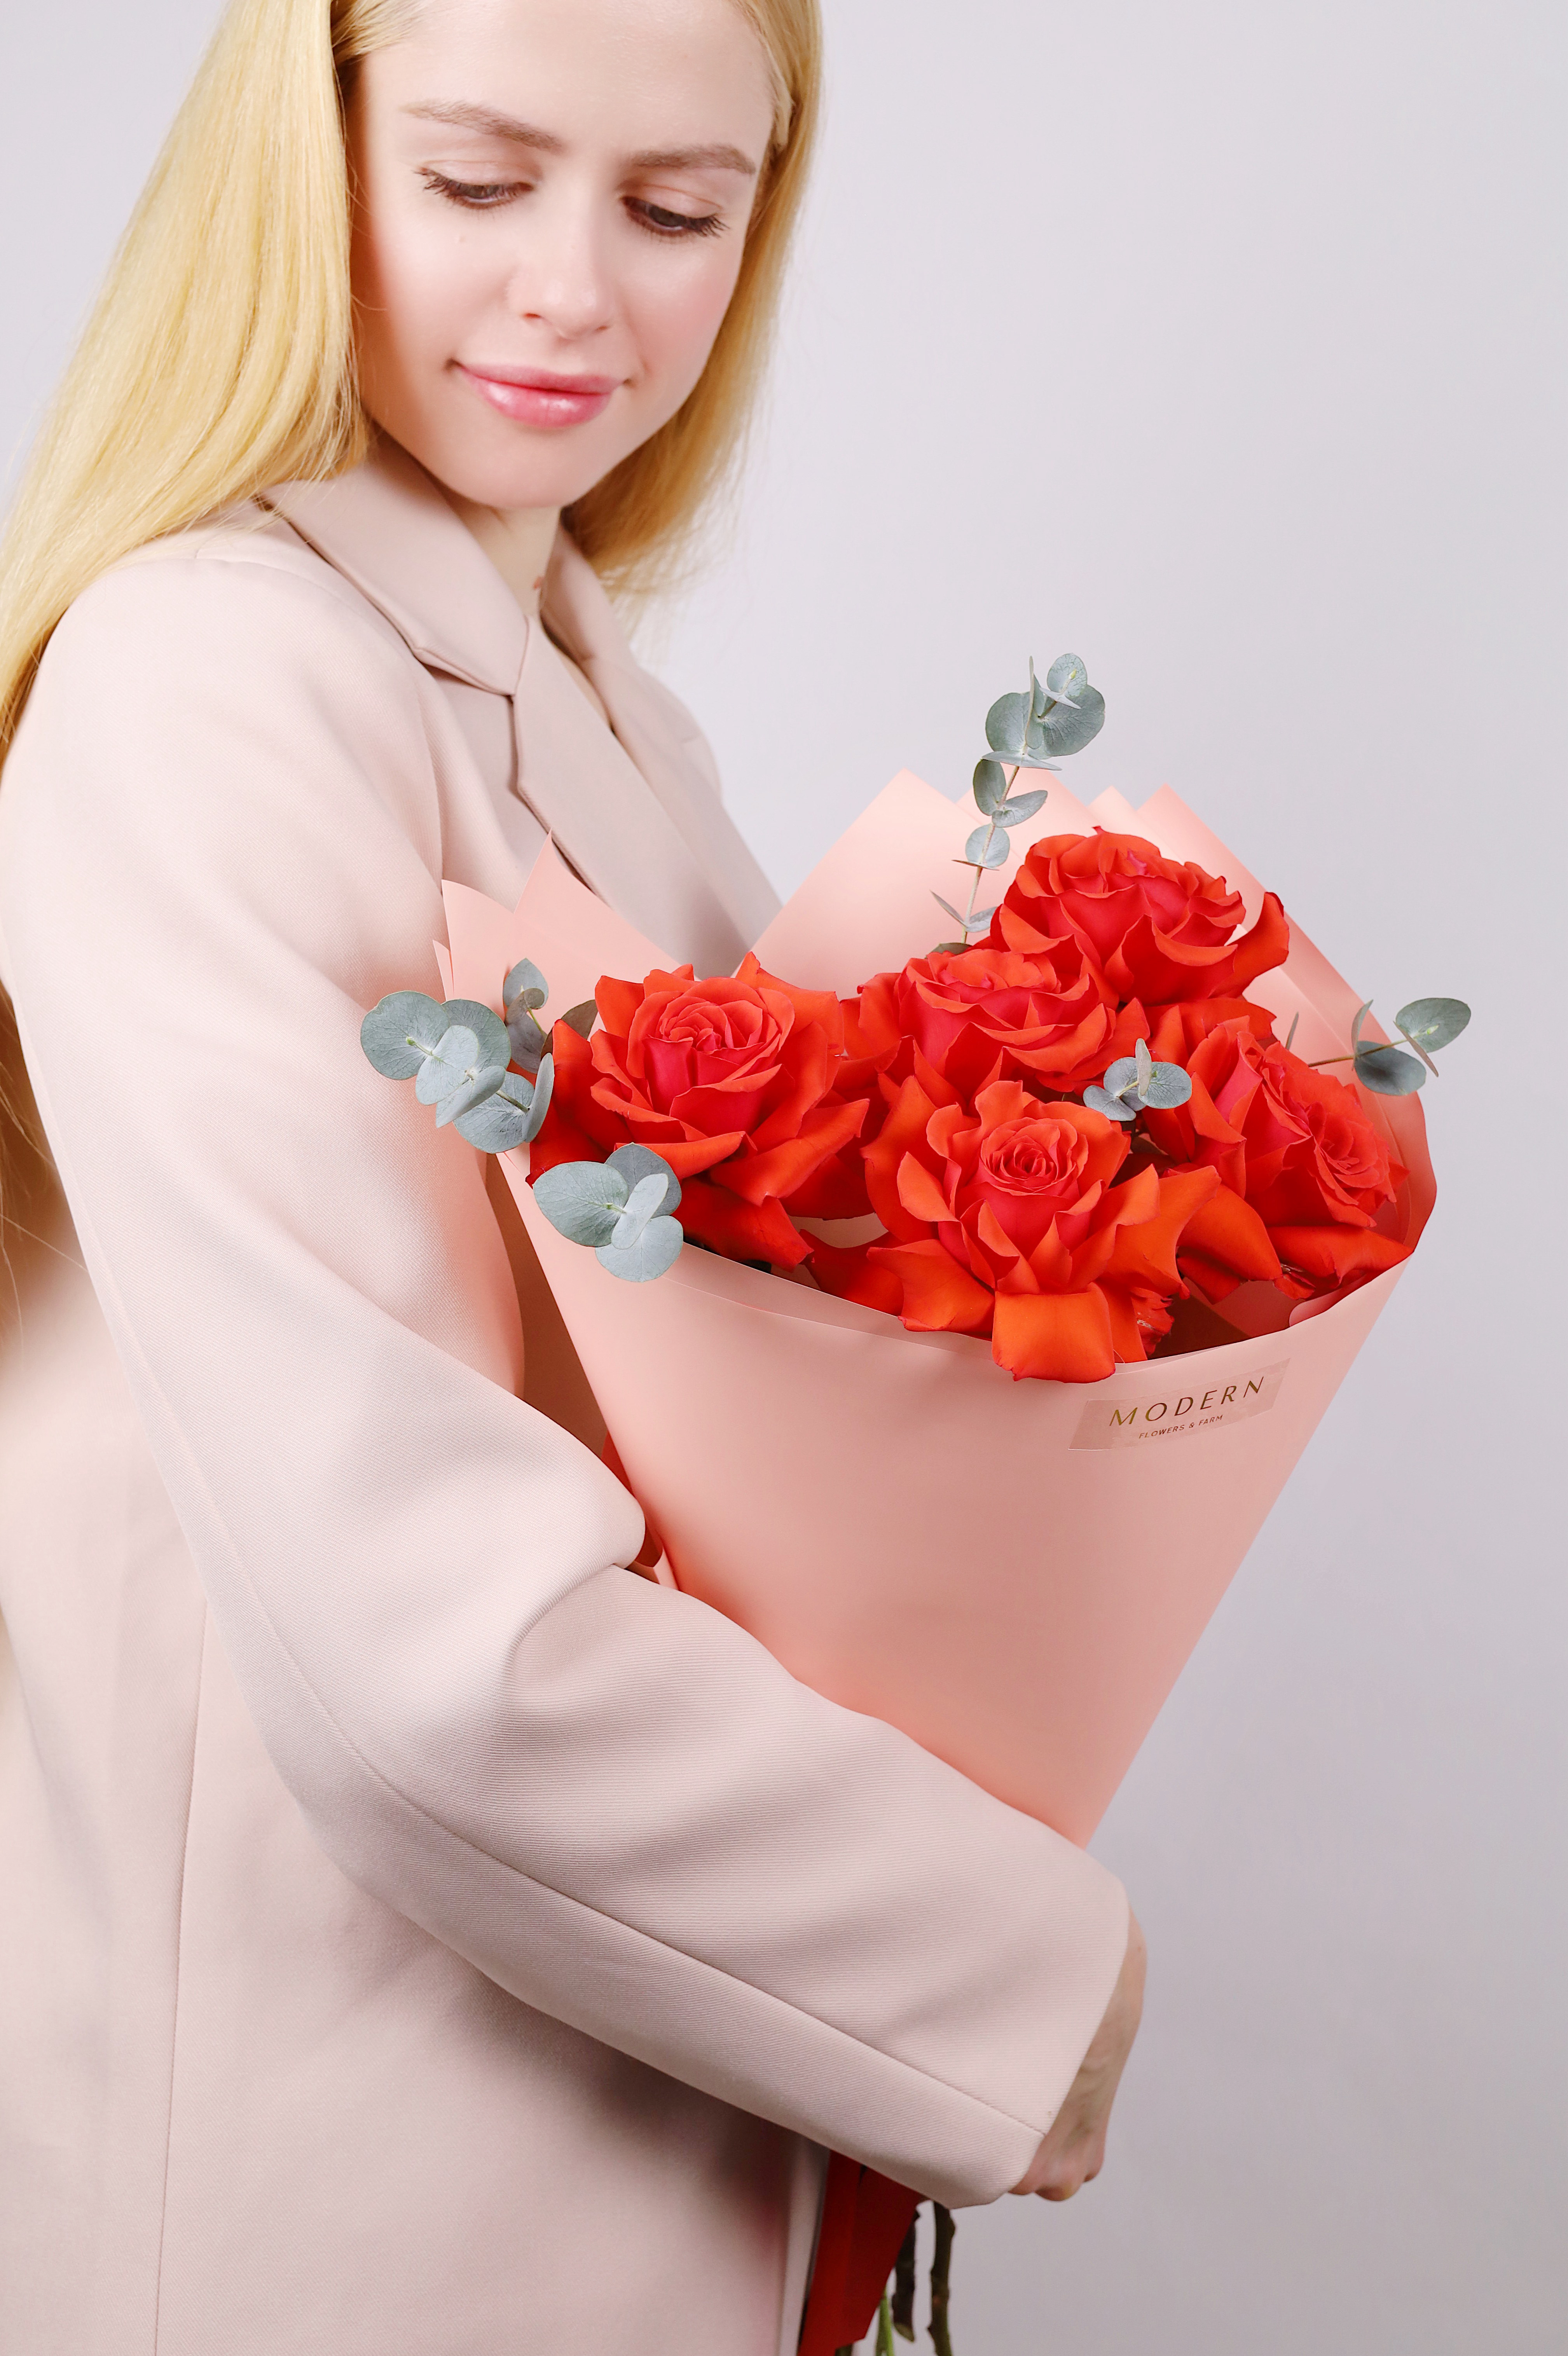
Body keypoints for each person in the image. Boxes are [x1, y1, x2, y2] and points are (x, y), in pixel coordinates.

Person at [0, 1, 1144, 2347]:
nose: (572, 293)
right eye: (476, 180)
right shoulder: (215, 680)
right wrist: (1026, 1972)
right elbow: (431, 1645)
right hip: (341, 2179)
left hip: (611, 2111)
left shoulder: (616, 708)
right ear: (305, 162)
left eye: (673, 210)